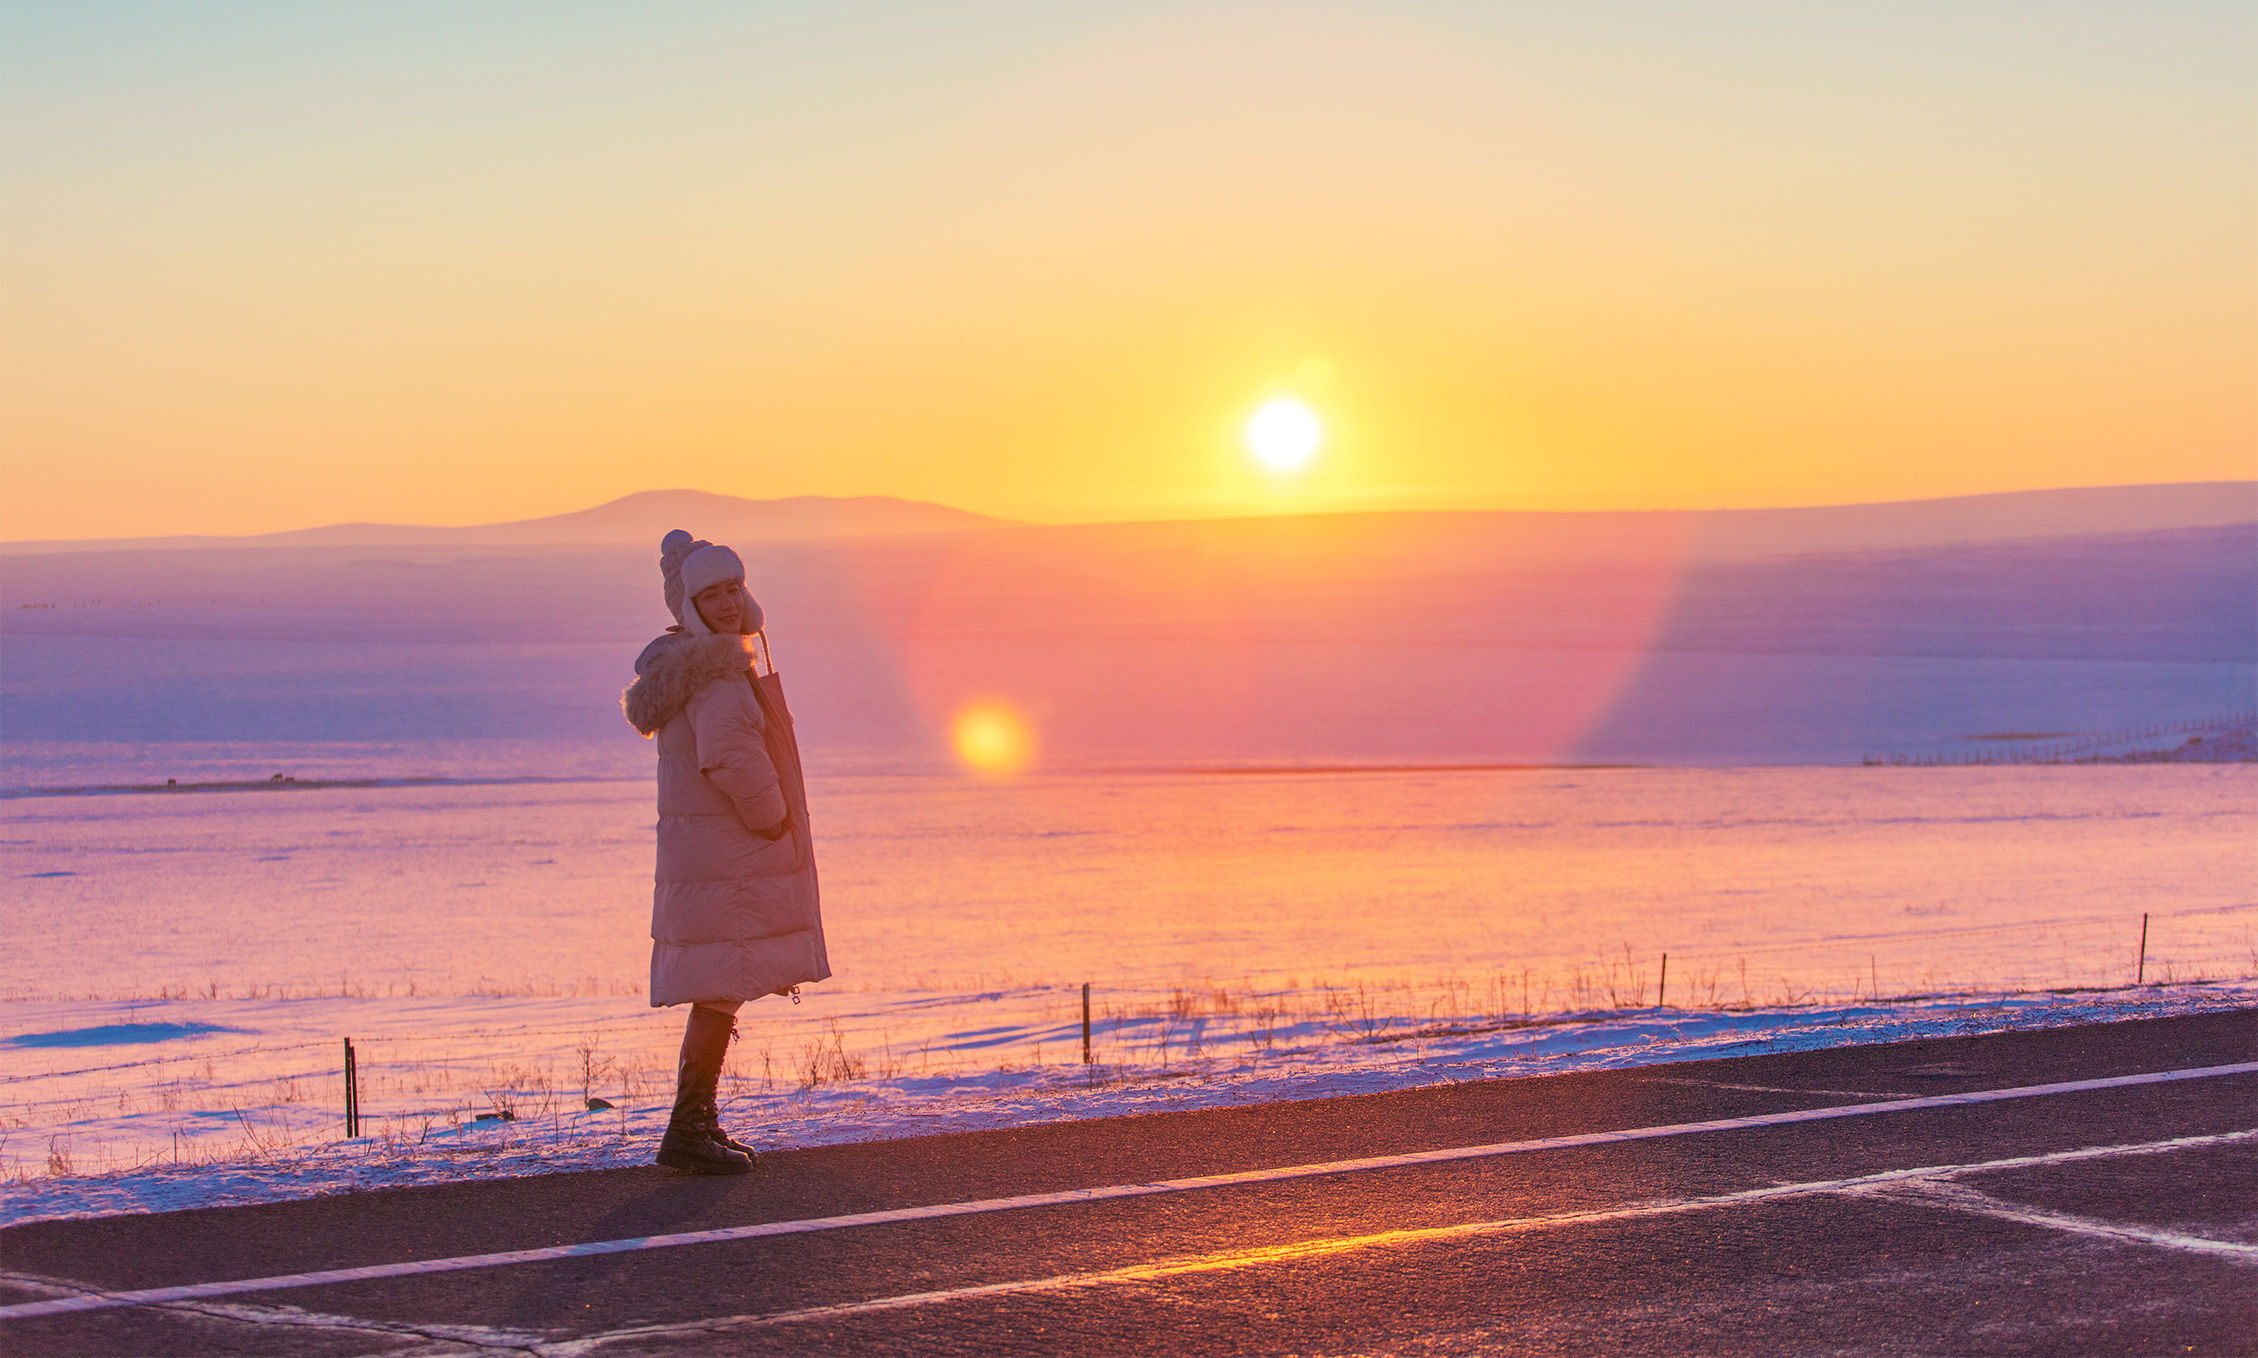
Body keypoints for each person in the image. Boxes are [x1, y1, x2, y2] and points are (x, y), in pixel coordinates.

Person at [621, 530, 829, 1174]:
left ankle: (696, 1124)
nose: (728, 603)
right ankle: (688, 1130)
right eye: (711, 594)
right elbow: (730, 756)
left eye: (733, 588)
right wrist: (773, 820)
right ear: (691, 605)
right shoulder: (717, 673)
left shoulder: (701, 663)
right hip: (733, 854)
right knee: (721, 989)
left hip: (711, 855)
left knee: (720, 988)